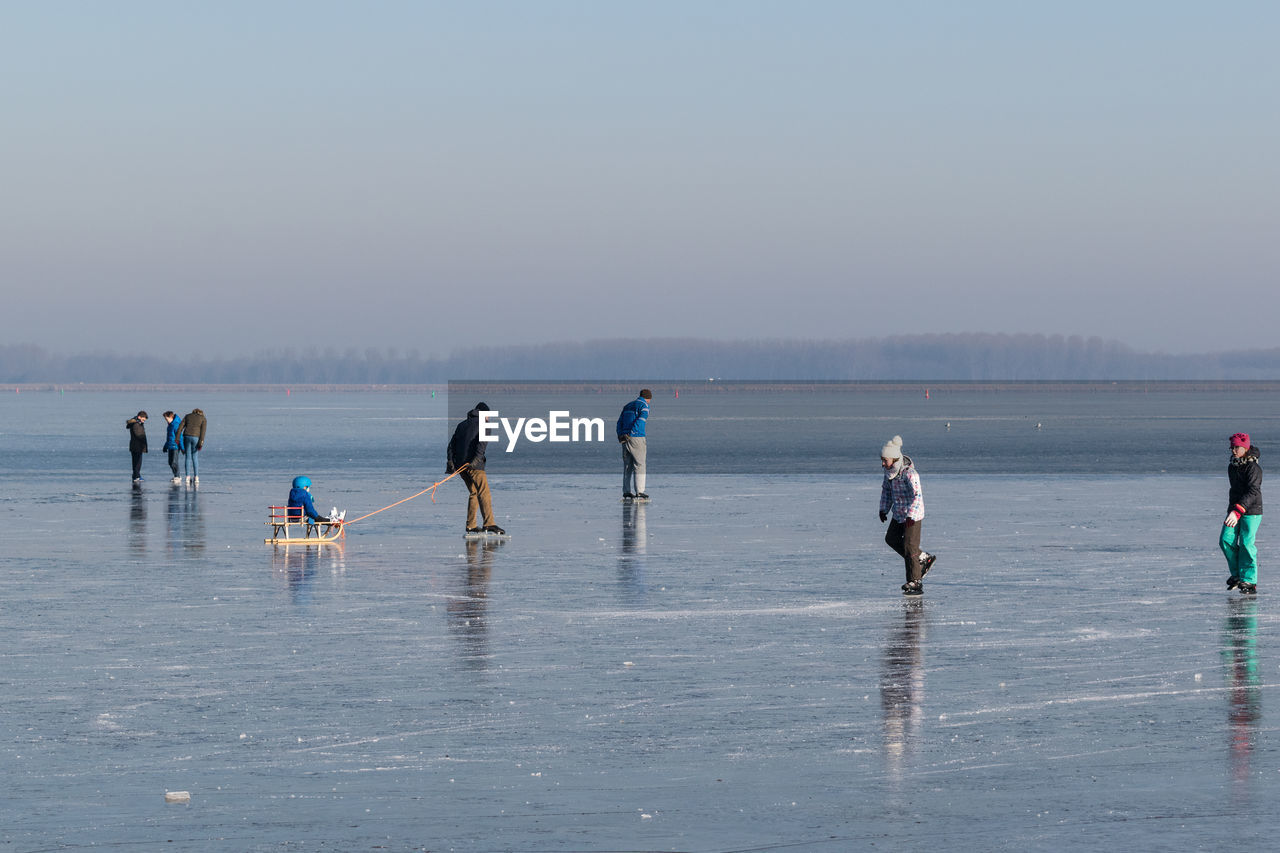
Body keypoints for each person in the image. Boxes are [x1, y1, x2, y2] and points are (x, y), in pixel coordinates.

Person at [878, 435, 937, 596]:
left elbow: (917, 496)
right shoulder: (889, 473)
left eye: (885, 460)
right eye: (882, 460)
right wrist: (883, 509)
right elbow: (886, 491)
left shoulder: (910, 474)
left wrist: (911, 515)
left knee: (909, 547)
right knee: (891, 539)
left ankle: (915, 581)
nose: (883, 463)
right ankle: (923, 558)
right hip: (898, 513)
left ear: (895, 458)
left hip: (913, 515)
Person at [446, 402, 505, 536]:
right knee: (484, 492)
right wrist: (476, 461)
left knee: (473, 492)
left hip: (460, 466)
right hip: (474, 466)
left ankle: (471, 526)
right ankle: (489, 524)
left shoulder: (461, 425)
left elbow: (451, 446)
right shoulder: (485, 424)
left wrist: (451, 462)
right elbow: (481, 445)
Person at [1222, 432, 1263, 595]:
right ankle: (1238, 575)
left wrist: (1239, 510)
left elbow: (1253, 491)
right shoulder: (1232, 466)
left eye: (1237, 447)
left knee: (1246, 544)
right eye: (1232, 447)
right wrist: (1233, 510)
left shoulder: (1254, 468)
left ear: (1245, 448)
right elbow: (1235, 490)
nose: (1233, 450)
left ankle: (1250, 580)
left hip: (1251, 511)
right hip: (1235, 510)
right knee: (1226, 539)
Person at [616, 389, 652, 501]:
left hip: (624, 438)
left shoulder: (627, 406)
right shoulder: (644, 406)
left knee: (627, 466)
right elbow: (641, 420)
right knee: (640, 464)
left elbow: (619, 422)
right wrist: (632, 433)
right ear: (649, 398)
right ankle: (640, 492)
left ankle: (626, 492)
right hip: (636, 437)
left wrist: (621, 434)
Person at [180, 407, 207, 484]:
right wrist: (200, 443)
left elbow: (180, 427)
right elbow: (203, 433)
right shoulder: (203, 418)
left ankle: (187, 477)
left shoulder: (187, 416)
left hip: (186, 436)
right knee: (195, 457)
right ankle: (196, 477)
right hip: (196, 438)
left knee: (187, 457)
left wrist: (177, 438)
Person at [126, 411, 148, 483]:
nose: (144, 421)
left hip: (136, 446)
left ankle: (136, 475)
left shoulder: (137, 423)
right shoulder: (136, 424)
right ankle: (136, 476)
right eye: (143, 419)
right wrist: (143, 442)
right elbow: (139, 435)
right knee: (137, 462)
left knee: (136, 461)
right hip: (137, 446)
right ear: (139, 417)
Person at [162, 411, 183, 484]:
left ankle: (178, 476)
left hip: (176, 446)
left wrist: (182, 447)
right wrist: (165, 446)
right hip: (170, 446)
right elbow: (169, 438)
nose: (165, 420)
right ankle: (175, 476)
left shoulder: (176, 425)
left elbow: (180, 437)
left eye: (166, 418)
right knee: (170, 462)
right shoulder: (169, 425)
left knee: (174, 462)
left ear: (171, 417)